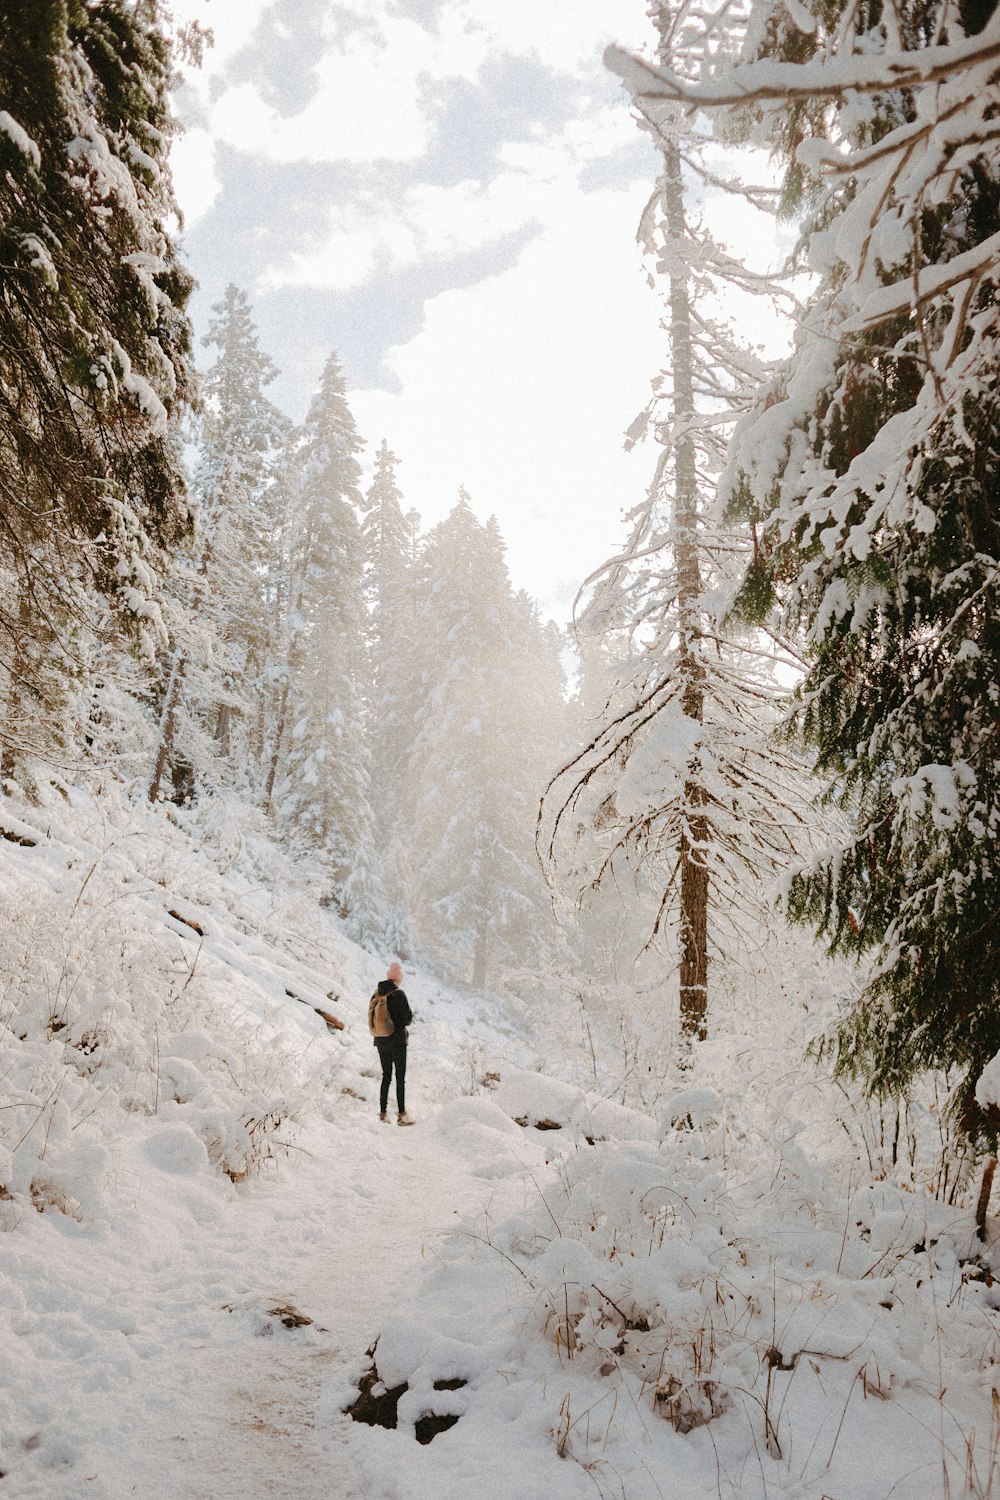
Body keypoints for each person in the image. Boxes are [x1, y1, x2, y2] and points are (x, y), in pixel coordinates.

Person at [369, 961, 414, 1125]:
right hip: (397, 1042)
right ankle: (402, 1114)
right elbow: (408, 1019)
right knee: (399, 1077)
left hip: (380, 1040)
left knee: (386, 1076)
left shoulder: (377, 994)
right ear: (399, 979)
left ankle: (382, 1113)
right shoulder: (399, 994)